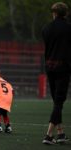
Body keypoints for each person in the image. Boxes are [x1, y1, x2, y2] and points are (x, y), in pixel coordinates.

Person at [42, 2, 71, 145]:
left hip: (49, 67)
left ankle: (60, 134)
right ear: (66, 13)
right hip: (63, 68)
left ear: (54, 13)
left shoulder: (46, 28)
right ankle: (48, 135)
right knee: (59, 101)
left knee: (56, 101)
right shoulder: (68, 28)